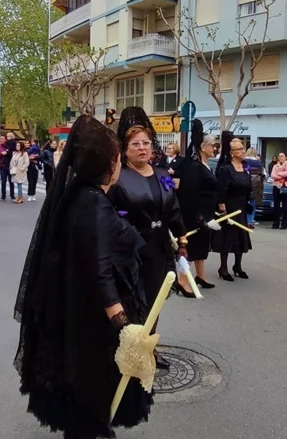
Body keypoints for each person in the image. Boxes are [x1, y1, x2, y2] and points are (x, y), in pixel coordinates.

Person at [14, 115, 155, 439]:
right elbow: (100, 269)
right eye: (117, 157)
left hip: (75, 312)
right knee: (92, 394)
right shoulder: (94, 204)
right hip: (92, 323)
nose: (119, 164)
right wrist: (123, 324)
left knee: (83, 397)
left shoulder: (78, 197)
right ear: (106, 163)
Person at [108, 107, 186, 369]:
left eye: (146, 143)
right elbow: (109, 215)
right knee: (132, 302)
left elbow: (173, 209)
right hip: (130, 251)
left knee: (154, 301)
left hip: (159, 250)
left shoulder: (162, 175)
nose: (142, 148)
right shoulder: (118, 178)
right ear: (125, 149)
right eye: (135, 144)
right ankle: (127, 351)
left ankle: (149, 349)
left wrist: (182, 240)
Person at [173, 123, 220, 293]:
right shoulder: (194, 166)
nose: (215, 149)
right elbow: (190, 193)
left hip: (206, 213)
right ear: (202, 146)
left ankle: (201, 276)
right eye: (213, 145)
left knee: (202, 245)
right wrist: (199, 217)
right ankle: (182, 281)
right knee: (191, 247)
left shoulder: (205, 165)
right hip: (195, 215)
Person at [212, 135, 253, 282]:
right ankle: (223, 268)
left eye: (243, 148)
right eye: (239, 149)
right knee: (228, 238)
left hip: (241, 206)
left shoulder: (245, 167)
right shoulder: (226, 169)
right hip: (229, 207)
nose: (243, 151)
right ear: (232, 153)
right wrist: (223, 211)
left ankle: (237, 266)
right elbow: (221, 191)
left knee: (240, 237)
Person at [270, 152, 287, 230]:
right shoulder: (275, 166)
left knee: (285, 206)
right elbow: (272, 175)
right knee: (276, 205)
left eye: (282, 156)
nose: (280, 157)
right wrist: (281, 176)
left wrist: (279, 174)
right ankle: (275, 223)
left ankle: (284, 224)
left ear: (286, 157)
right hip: (276, 186)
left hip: (286, 187)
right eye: (279, 156)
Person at [0, 134, 15, 201]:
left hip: (10, 166)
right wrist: (1, 153)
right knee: (3, 181)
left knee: (11, 181)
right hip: (2, 166)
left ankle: (12, 195)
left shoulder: (9, 146)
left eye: (3, 139)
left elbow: (13, 154)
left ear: (6, 140)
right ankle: (3, 196)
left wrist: (8, 152)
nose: (1, 140)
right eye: (0, 139)